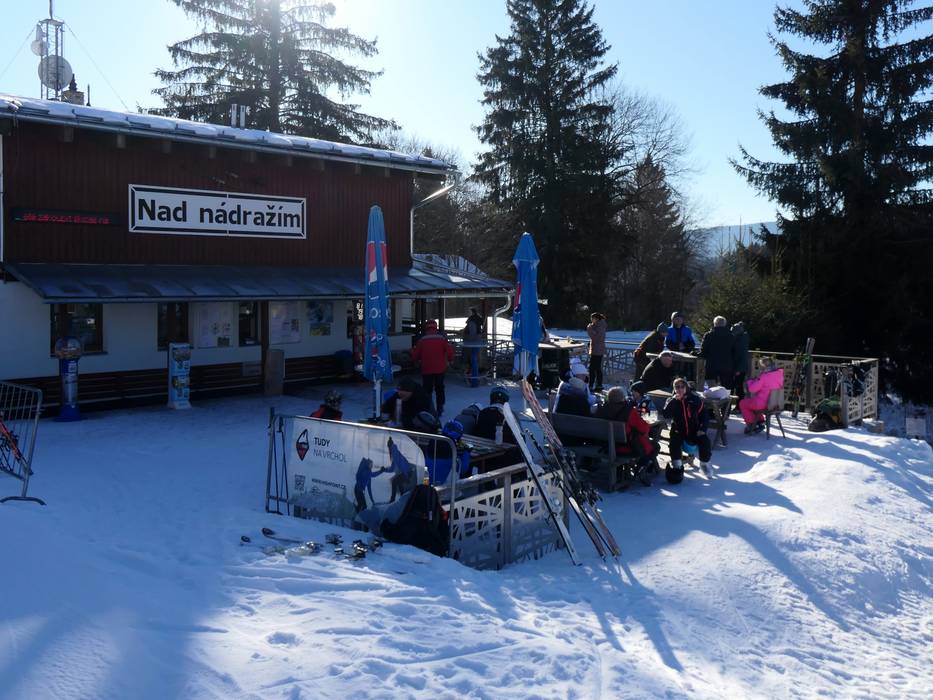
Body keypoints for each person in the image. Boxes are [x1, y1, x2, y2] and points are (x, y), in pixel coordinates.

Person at [594, 386, 659, 483]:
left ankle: (624, 471)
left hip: (605, 446)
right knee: (655, 446)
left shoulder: (601, 410)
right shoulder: (628, 411)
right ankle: (641, 468)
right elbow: (644, 429)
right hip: (625, 448)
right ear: (622, 398)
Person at [662, 377, 713, 481]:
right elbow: (666, 414)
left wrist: (702, 429)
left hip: (694, 430)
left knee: (705, 442)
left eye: (682, 386)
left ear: (686, 387)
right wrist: (674, 401)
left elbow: (704, 415)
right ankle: (677, 467)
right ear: (674, 389)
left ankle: (704, 465)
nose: (680, 389)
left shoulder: (694, 399)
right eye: (677, 387)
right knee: (674, 443)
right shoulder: (671, 400)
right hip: (679, 431)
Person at [411, 320, 454, 416]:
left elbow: (415, 355)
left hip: (426, 368)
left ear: (426, 328)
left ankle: (428, 408)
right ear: (436, 327)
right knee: (440, 388)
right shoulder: (442, 338)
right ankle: (440, 408)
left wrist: (415, 358)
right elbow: (449, 351)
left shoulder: (422, 340)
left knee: (427, 389)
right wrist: (450, 360)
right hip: (440, 368)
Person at [739, 356, 785, 433]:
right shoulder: (779, 374)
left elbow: (752, 389)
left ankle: (752, 425)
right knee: (753, 402)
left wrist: (750, 381)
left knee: (743, 403)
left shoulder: (764, 376)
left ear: (764, 366)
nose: (760, 368)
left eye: (760, 365)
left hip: (764, 404)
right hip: (775, 404)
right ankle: (760, 421)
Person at [699, 316, 735, 391]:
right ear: (725, 324)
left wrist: (695, 353)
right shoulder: (731, 336)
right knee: (726, 389)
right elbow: (734, 352)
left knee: (712, 389)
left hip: (711, 366)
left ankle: (712, 398)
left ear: (714, 324)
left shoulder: (709, 335)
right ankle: (726, 398)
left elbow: (703, 352)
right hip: (726, 366)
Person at [462, 307, 485, 387]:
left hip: (471, 344)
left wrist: (467, 341)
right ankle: (474, 379)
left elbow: (472, 333)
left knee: (472, 361)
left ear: (472, 313)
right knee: (474, 360)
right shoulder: (477, 320)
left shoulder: (472, 321)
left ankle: (474, 380)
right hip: (475, 343)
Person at [586, 312, 607, 391]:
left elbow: (596, 337)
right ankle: (598, 385)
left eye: (593, 318)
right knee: (596, 368)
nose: (591, 320)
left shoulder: (600, 326)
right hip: (597, 350)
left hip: (597, 351)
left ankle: (593, 385)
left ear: (597, 319)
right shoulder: (597, 326)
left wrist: (589, 328)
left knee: (593, 369)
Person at [731, 321, 750, 400]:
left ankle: (737, 404)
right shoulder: (744, 337)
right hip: (741, 367)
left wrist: (738, 369)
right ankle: (739, 404)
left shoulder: (739, 340)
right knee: (739, 386)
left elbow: (739, 354)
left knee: (737, 387)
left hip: (738, 367)